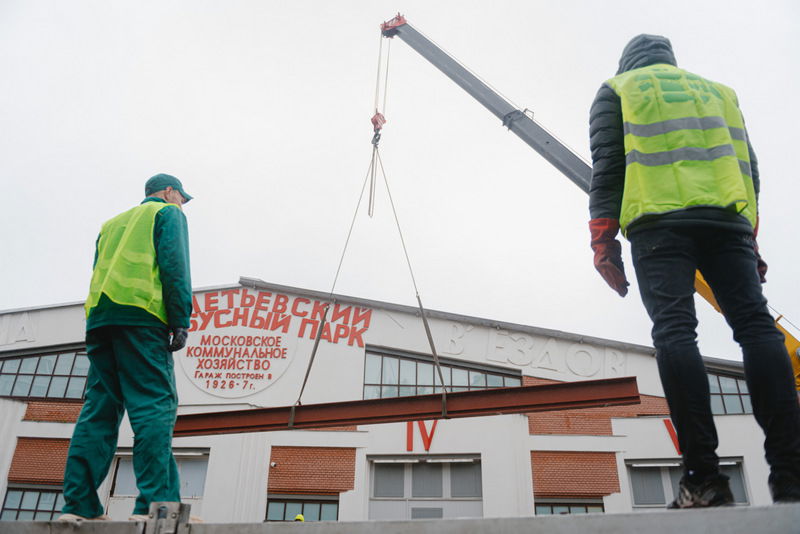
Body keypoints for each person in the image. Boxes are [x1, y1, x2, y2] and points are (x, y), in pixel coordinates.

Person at [588, 34, 800, 508]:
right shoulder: (719, 93)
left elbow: (608, 167)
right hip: (727, 223)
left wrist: (603, 240)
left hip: (658, 223)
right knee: (756, 328)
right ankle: (792, 476)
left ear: (629, 62)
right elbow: (751, 172)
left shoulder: (618, 88)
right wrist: (751, 236)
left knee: (676, 333)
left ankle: (704, 479)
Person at [58, 173, 193, 521]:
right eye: (181, 197)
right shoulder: (167, 214)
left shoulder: (111, 225)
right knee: (154, 407)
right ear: (168, 192)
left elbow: (96, 271)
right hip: (142, 318)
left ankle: (79, 507)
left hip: (101, 321)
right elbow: (174, 267)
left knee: (100, 409)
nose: (182, 203)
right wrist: (180, 319)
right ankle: (155, 506)